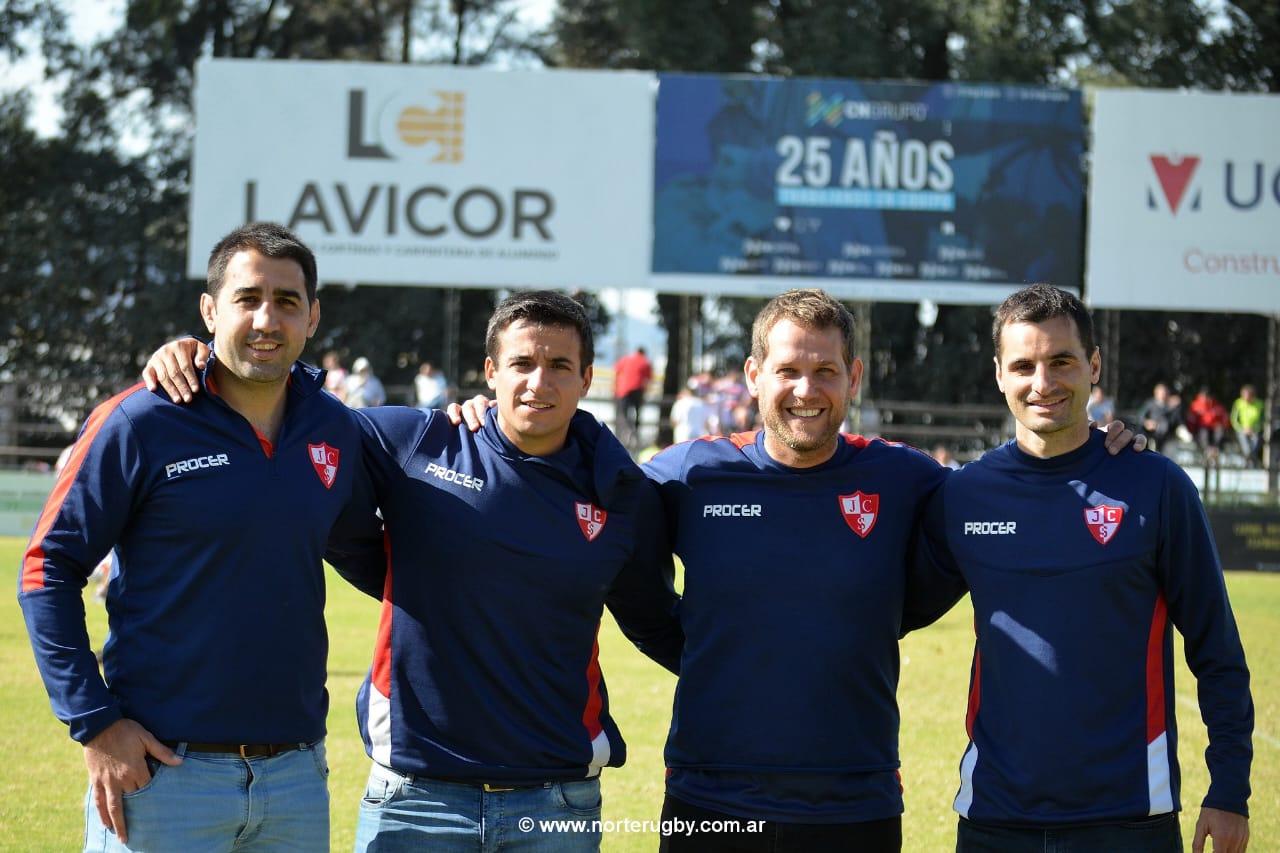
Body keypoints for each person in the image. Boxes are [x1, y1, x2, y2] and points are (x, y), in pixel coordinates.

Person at [452, 289, 1143, 852]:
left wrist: (1105, 449)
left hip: (855, 804)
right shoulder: (688, 473)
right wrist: (481, 423)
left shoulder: (905, 478)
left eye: (824, 371)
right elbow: (597, 533)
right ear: (753, 375)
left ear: (854, 378)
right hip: (710, 802)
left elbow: (1004, 504)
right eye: (787, 370)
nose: (805, 390)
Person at [145, 291, 683, 852]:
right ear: (491, 372)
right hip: (416, 797)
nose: (538, 383)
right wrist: (202, 357)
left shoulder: (621, 491)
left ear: (587, 377)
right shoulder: (417, 440)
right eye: (522, 364)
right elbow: (293, 407)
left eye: (559, 367)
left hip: (557, 802)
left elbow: (653, 620)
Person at [21, 222, 374, 851]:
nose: (267, 319)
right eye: (247, 299)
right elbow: (47, 568)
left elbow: (361, 549)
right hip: (162, 777)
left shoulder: (335, 427)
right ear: (210, 310)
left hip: (294, 777)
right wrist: (95, 724)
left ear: (313, 317)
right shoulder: (142, 419)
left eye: (287, 302)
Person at [915, 284, 1252, 853]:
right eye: (1023, 365)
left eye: (1061, 361)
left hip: (1128, 820)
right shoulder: (965, 495)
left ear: (1093, 365)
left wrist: (1229, 790)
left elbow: (1217, 650)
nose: (1042, 383)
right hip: (995, 818)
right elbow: (879, 611)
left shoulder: (1156, 485)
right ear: (999, 374)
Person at [613, 345, 652, 449]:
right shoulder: (645, 361)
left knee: (624, 413)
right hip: (638, 389)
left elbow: (616, 371)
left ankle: (627, 431)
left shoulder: (626, 359)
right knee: (638, 413)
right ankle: (635, 432)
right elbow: (648, 379)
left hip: (623, 390)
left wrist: (615, 388)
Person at [1188, 386, 1230, 460]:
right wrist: (1192, 431)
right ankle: (1208, 451)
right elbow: (1191, 420)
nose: (1206, 398)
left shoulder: (1216, 405)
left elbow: (1224, 418)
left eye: (1207, 396)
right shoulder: (1195, 406)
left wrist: (1223, 425)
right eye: (1204, 396)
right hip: (1201, 429)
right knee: (1204, 432)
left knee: (1219, 431)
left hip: (1214, 429)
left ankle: (1214, 450)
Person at [1231, 384, 1264, 468]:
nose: (1245, 398)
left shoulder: (1260, 404)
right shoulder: (1238, 403)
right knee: (1246, 447)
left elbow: (1263, 420)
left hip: (1255, 430)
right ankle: (1251, 463)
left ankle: (1249, 463)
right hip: (1241, 430)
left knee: (1256, 442)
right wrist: (1242, 429)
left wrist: (1254, 428)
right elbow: (1234, 420)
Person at [1139, 382, 1175, 451]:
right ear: (1156, 393)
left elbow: (1173, 421)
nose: (1163, 395)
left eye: (1165, 393)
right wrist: (1146, 423)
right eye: (1161, 393)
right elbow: (1140, 416)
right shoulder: (1150, 404)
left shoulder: (1170, 406)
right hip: (1152, 435)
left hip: (1166, 437)